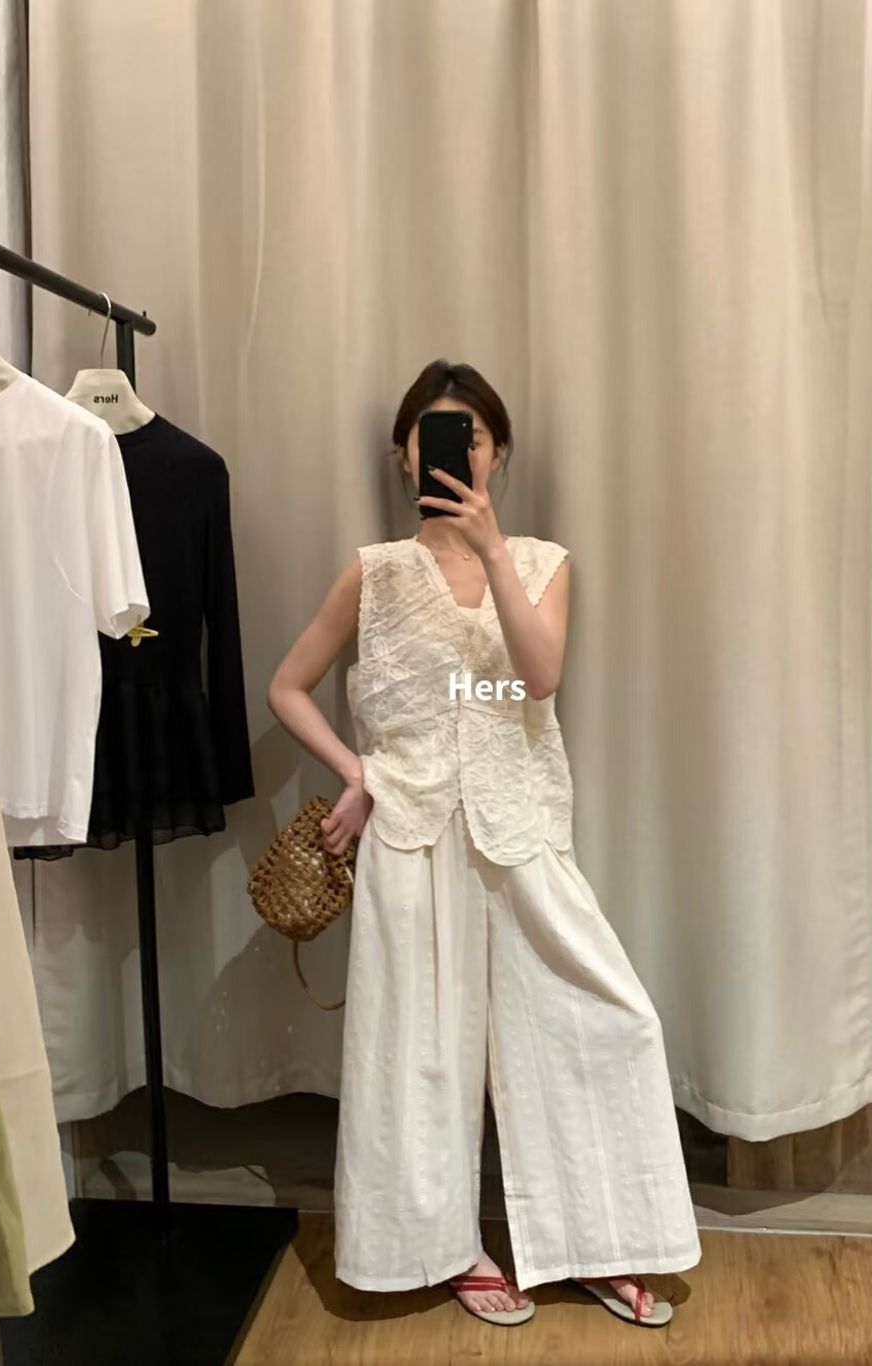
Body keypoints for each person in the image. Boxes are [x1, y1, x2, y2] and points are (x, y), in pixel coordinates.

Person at [268, 359, 702, 1328]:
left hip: (522, 830)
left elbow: (536, 679)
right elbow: (287, 686)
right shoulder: (375, 572)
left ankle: (599, 1241)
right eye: (432, 431)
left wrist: (493, 549)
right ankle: (442, 1247)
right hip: (411, 835)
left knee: (597, 1023)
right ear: (403, 453)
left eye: (470, 432)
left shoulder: (543, 562)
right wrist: (357, 772)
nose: (453, 447)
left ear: (498, 451)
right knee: (419, 1052)